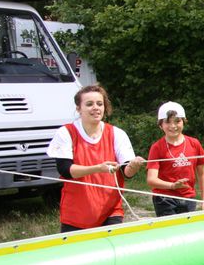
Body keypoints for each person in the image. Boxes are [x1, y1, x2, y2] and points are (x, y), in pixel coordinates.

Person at [46, 84, 146, 232]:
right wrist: (98, 168)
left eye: (99, 104)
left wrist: (134, 166)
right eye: (89, 104)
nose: (96, 108)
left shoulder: (117, 133)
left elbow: (126, 172)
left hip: (110, 211)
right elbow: (66, 170)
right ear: (79, 108)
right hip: (75, 214)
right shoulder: (65, 132)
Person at [146, 101, 204, 216]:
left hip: (189, 197)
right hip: (164, 199)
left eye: (177, 121)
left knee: (188, 231)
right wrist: (172, 186)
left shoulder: (194, 143)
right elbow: (151, 180)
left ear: (184, 122)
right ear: (160, 125)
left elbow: (202, 174)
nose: (173, 126)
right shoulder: (157, 147)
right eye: (167, 122)